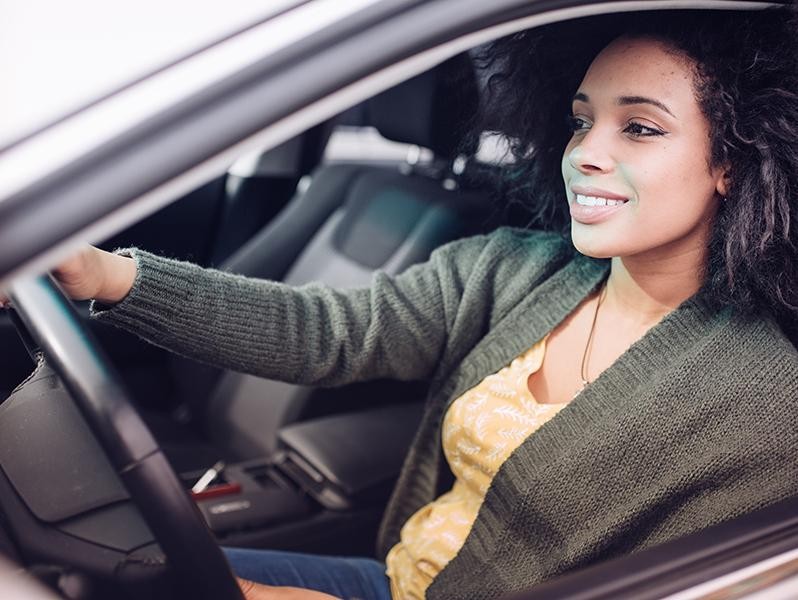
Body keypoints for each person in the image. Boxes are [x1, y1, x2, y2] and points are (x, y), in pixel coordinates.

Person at [4, 6, 798, 600]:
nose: (587, 152)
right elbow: (328, 332)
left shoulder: (765, 400)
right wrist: (100, 275)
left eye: (641, 129)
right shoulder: (512, 269)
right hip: (392, 578)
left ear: (737, 160)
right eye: (581, 121)